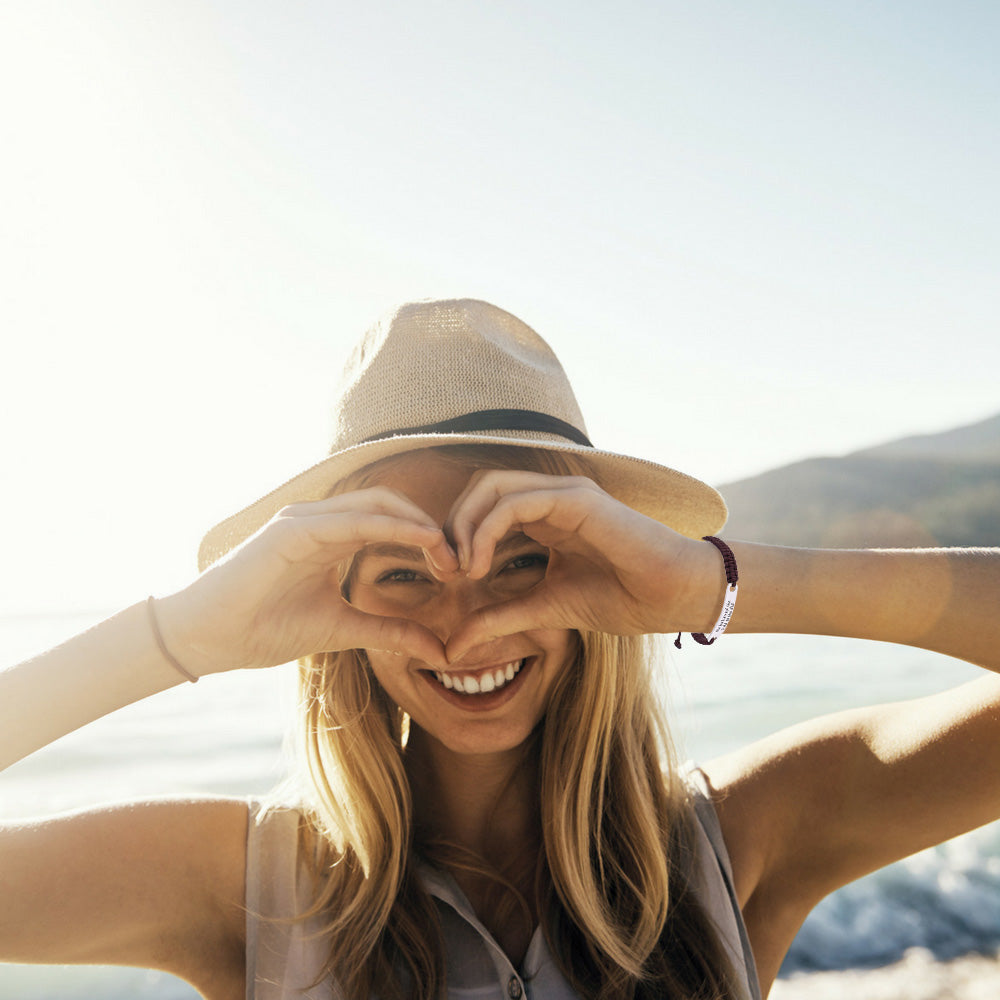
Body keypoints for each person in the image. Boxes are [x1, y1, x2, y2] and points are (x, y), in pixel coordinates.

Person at [1, 298, 999, 1000]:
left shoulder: (738, 837)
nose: (464, 622)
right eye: (401, 568)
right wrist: (188, 635)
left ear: (600, 566)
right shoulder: (243, 881)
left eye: (521, 558)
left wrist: (708, 584)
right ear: (330, 602)